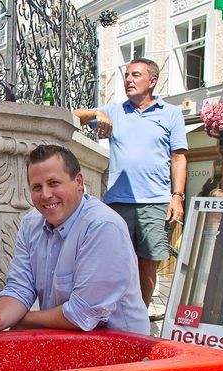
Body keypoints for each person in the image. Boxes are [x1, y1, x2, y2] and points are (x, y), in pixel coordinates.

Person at [0, 144, 185, 371]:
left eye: (54, 183)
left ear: (79, 182)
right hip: (69, 349)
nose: (46, 195)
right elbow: (19, 288)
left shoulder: (102, 226)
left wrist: (21, 320)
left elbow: (80, 316)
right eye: (37, 187)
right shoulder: (31, 223)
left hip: (119, 356)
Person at [73, 58, 188, 308]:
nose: (128, 80)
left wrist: (177, 196)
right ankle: (112, 314)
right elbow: (74, 116)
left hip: (155, 202)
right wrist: (97, 113)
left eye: (135, 75)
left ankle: (139, 318)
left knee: (147, 265)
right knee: (113, 263)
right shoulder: (115, 111)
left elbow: (178, 158)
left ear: (152, 81)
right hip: (118, 202)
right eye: (126, 75)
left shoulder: (170, 113)